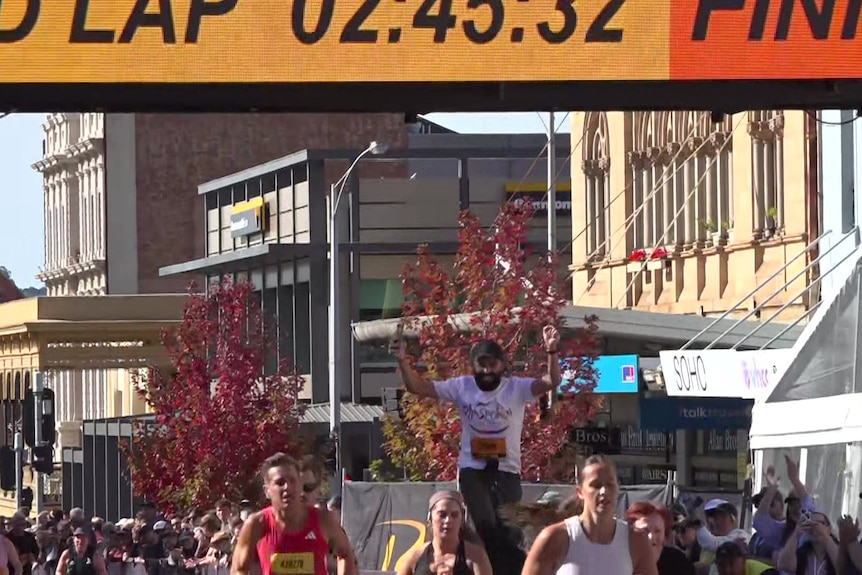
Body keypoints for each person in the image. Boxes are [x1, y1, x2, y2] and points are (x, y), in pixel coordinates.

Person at [391, 324, 562, 574]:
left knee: (508, 529)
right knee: (484, 525)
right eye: (482, 365)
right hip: (473, 468)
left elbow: (551, 381)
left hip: (507, 469)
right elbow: (419, 387)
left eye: (492, 365)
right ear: (474, 367)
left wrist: (552, 350)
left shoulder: (516, 388)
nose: (487, 370)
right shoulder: (463, 387)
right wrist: (402, 361)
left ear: (502, 366)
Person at [522, 454, 658, 575]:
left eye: (610, 484)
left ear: (618, 488)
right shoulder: (555, 538)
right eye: (596, 485)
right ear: (580, 492)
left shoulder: (636, 541)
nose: (604, 491)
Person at [232, 452, 358, 575]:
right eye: (280, 482)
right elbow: (238, 568)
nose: (287, 487)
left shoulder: (323, 520)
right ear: (267, 491)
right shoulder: (257, 524)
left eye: (292, 481)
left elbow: (346, 554)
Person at [398, 491, 492, 575]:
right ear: (430, 519)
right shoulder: (415, 556)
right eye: (442, 515)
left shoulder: (476, 556)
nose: (448, 520)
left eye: (454, 515)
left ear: (462, 520)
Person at [625, 502, 694, 575]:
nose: (651, 537)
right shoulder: (619, 562)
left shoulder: (679, 564)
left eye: (657, 531)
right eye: (644, 530)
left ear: (665, 538)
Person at [713, 542, 778, 575]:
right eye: (722, 565)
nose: (727, 570)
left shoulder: (765, 573)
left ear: (743, 560)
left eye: (731, 564)